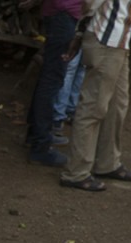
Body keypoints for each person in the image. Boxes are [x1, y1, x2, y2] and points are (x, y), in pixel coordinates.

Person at [59, 0, 131, 191]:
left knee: (117, 105)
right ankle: (76, 172)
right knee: (93, 107)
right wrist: (80, 33)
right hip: (106, 41)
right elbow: (89, 4)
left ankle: (108, 162)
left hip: (120, 43)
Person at [23, 0, 83, 167]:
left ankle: (36, 135)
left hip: (59, 13)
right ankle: (40, 146)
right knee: (52, 79)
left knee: (49, 77)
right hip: (64, 13)